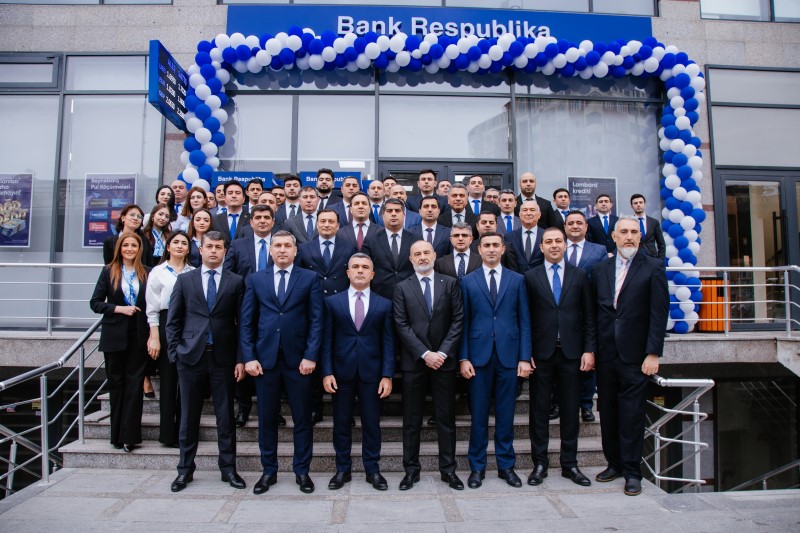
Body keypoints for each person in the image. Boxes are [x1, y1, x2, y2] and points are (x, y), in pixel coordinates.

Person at [239, 231, 324, 495]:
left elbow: (317, 320)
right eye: (278, 245)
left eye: (288, 245)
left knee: (302, 419)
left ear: (296, 251)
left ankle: (302, 471)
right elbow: (247, 322)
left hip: (300, 362)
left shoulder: (309, 278)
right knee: (266, 419)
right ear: (271, 250)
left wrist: (311, 355)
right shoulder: (256, 279)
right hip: (265, 362)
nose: (283, 249)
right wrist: (249, 357)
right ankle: (268, 471)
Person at [591, 215, 669, 496]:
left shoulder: (653, 267)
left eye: (634, 232)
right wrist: (591, 350)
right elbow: (594, 313)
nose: (629, 237)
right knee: (608, 412)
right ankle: (614, 464)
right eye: (623, 232)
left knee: (632, 414)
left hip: (636, 356)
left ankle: (633, 472)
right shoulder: (599, 269)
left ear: (640, 236)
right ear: (613, 237)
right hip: (605, 354)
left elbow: (659, 313)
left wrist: (653, 353)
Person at [166, 231, 247, 493]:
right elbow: (173, 320)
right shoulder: (185, 280)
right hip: (191, 357)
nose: (213, 251)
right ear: (200, 250)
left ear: (225, 251)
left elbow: (243, 323)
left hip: (223, 358)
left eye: (218, 247)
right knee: (188, 418)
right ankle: (184, 470)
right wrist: (175, 353)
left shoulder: (236, 281)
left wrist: (240, 359)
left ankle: (228, 469)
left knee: (225, 418)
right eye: (209, 246)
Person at [459, 232, 532, 489]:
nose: (491, 249)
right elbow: (463, 323)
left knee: (505, 415)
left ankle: (506, 466)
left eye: (495, 245)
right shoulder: (467, 281)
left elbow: (524, 321)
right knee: (478, 416)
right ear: (479, 250)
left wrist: (524, 357)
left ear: (503, 249)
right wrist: (463, 357)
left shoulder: (517, 280)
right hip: (477, 357)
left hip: (509, 357)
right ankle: (477, 467)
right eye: (486, 245)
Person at [524, 227, 595, 488]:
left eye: (558, 241)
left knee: (570, 410)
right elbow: (525, 318)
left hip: (572, 354)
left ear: (565, 245)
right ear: (541, 247)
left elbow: (589, 317)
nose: (554, 245)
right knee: (539, 410)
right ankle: (539, 463)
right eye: (549, 242)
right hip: (540, 354)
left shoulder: (580, 275)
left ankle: (570, 464)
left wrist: (589, 350)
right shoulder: (530, 277)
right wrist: (526, 353)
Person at [394, 241, 464, 491]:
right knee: (412, 420)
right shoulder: (402, 287)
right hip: (415, 363)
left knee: (446, 419)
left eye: (426, 252)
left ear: (434, 255)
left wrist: (442, 353)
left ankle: (449, 470)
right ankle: (411, 471)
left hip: (444, 363)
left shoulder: (450, 283)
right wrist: (425, 354)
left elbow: (458, 320)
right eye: (417, 254)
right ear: (410, 259)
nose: (422, 257)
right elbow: (401, 324)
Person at [322, 253, 394, 491]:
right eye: (355, 267)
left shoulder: (384, 304)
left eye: (365, 267)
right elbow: (326, 340)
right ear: (348, 273)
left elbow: (388, 343)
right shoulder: (333, 302)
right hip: (340, 374)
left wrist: (387, 375)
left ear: (372, 274)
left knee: (372, 424)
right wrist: (327, 372)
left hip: (372, 374)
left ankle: (372, 469)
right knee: (341, 423)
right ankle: (342, 469)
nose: (360, 270)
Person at [90, 232, 150, 453]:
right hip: (114, 335)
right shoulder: (109, 271)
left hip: (139, 335)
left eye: (134, 245)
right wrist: (118, 309)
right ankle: (116, 435)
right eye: (126, 245)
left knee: (134, 386)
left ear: (139, 249)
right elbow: (95, 303)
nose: (130, 249)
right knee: (117, 385)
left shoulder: (147, 272)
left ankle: (129, 436)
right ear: (119, 248)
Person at [223, 205, 280, 429]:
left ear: (273, 221)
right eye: (258, 217)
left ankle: (274, 410)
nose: (262, 221)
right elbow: (228, 275)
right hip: (244, 308)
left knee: (273, 358)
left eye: (267, 217)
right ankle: (243, 407)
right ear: (251, 222)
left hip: (274, 309)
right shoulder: (238, 245)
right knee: (244, 355)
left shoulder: (282, 243)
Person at [145, 231, 194, 447]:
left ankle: (185, 432)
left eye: (184, 243)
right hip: (165, 324)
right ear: (168, 247)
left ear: (189, 248)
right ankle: (167, 434)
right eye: (176, 242)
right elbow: (151, 308)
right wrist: (154, 337)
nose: (180, 246)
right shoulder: (157, 272)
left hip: (189, 324)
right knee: (168, 381)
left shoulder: (194, 272)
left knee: (187, 382)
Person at [563, 210, 608, 422]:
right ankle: (558, 402)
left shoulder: (599, 250)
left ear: (586, 227)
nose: (575, 226)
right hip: (562, 314)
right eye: (570, 223)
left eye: (579, 223)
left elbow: (602, 281)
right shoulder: (557, 247)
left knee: (588, 362)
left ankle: (586, 405)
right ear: (565, 227)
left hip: (588, 313)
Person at [360, 198, 418, 300]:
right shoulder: (371, 240)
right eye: (389, 211)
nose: (393, 214)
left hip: (410, 296)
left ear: (404, 215)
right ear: (383, 215)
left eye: (397, 211)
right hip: (379, 296)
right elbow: (365, 268)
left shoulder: (416, 239)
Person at [505, 200, 544, 273]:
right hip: (516, 277)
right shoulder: (509, 237)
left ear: (539, 214)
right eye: (525, 210)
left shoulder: (546, 236)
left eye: (532, 210)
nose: (528, 213)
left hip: (540, 278)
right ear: (519, 215)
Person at [631, 194, 666, 260]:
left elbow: (661, 244)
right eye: (635, 203)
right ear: (632, 206)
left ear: (645, 204)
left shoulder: (654, 222)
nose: (638, 205)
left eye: (640, 202)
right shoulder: (629, 223)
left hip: (651, 258)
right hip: (634, 259)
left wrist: (660, 261)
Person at [142, 203, 171, 267]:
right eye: (160, 214)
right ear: (153, 216)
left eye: (167, 216)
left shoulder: (170, 236)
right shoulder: (143, 234)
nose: (163, 218)